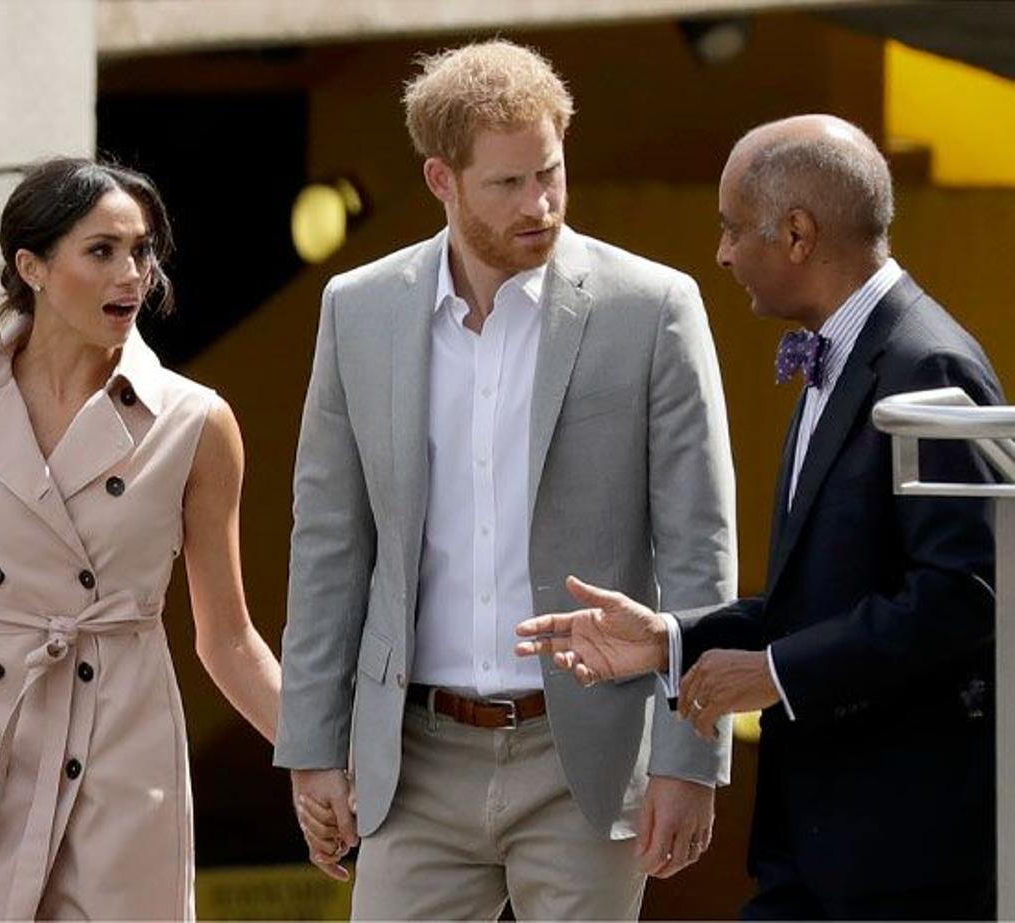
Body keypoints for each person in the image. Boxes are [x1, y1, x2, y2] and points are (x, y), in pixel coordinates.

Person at [275, 40, 737, 920]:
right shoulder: (358, 310)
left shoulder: (652, 308)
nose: (541, 204)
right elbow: (329, 542)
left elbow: (698, 547)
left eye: (551, 172)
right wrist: (312, 744)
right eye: (508, 184)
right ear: (441, 179)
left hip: (586, 759)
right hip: (413, 757)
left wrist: (689, 755)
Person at [517, 114, 1001, 920]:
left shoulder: (930, 364)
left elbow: (966, 596)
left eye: (733, 228)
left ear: (799, 233)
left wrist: (777, 674)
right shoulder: (843, 355)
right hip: (815, 849)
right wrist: (671, 639)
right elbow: (824, 598)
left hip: (903, 856)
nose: (722, 253)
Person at [0, 158, 281, 920]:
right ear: (34, 268)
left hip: (124, 754)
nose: (134, 275)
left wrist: (328, 760)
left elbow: (229, 638)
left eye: (143, 251)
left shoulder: (196, 422)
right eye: (102, 251)